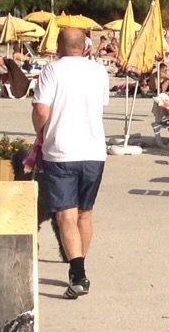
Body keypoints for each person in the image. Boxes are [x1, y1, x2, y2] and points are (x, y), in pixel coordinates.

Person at [32, 27, 110, 299]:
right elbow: (100, 104)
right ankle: (78, 268)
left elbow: (41, 109)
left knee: (66, 215)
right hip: (94, 151)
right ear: (85, 46)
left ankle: (78, 275)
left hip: (61, 151)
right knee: (85, 214)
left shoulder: (52, 70)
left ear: (59, 45)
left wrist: (39, 130)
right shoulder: (99, 71)